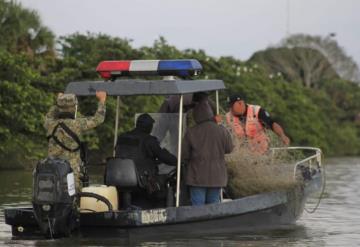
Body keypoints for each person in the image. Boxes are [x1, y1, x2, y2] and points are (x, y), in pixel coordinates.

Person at [44, 91, 107, 192]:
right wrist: (102, 100)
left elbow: (49, 115)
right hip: (71, 172)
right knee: (73, 198)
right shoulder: (77, 124)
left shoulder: (49, 123)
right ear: (74, 108)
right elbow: (98, 119)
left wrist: (59, 101)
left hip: (52, 171)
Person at [115, 113, 177, 208]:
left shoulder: (122, 137)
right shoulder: (149, 140)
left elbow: (132, 158)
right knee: (166, 184)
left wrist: (153, 161)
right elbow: (164, 157)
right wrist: (177, 160)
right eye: (151, 126)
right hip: (141, 181)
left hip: (118, 178)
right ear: (149, 127)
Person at [182, 100, 234, 206]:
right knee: (214, 206)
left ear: (196, 115)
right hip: (217, 176)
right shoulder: (222, 130)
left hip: (197, 176)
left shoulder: (191, 132)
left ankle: (198, 223)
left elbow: (184, 154)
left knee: (197, 207)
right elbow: (229, 149)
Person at [225, 94, 290, 154]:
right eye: (229, 106)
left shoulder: (257, 111)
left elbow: (272, 124)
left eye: (231, 106)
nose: (230, 109)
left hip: (263, 153)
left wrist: (282, 136)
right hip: (243, 155)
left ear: (240, 103)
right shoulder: (228, 117)